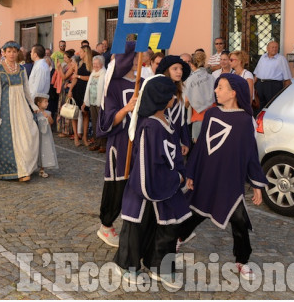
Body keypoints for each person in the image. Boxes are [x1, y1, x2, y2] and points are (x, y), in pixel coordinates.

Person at [178, 73, 269, 280]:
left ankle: (242, 260)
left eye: (221, 87)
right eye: (216, 87)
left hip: (229, 181)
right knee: (197, 211)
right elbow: (200, 146)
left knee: (239, 219)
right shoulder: (211, 114)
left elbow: (250, 154)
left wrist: (257, 185)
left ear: (233, 93)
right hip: (207, 176)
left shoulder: (245, 121)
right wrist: (191, 172)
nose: (216, 90)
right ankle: (179, 236)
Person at [113, 75, 189, 289]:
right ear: (162, 98)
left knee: (167, 227)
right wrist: (174, 178)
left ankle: (159, 266)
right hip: (144, 187)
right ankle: (128, 265)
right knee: (136, 228)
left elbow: (174, 155)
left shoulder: (168, 121)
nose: (174, 97)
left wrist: (180, 174)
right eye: (170, 94)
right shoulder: (149, 127)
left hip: (166, 186)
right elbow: (148, 164)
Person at [95, 42, 140, 248]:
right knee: (117, 184)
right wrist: (127, 108)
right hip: (120, 143)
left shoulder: (144, 82)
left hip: (140, 142)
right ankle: (106, 225)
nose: (141, 59)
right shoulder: (113, 85)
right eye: (137, 56)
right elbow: (107, 120)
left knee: (139, 184)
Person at [0, 41, 39, 182]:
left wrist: (32, 105)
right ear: (4, 53)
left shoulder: (22, 69)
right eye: (9, 51)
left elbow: (27, 89)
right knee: (8, 139)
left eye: (14, 51)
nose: (12, 54)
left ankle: (25, 168)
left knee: (27, 135)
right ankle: (13, 171)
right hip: (5, 108)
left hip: (21, 107)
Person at [156, 55, 192, 155]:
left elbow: (181, 118)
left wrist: (184, 140)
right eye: (175, 69)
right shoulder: (157, 91)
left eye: (180, 69)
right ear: (166, 71)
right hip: (161, 139)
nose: (179, 71)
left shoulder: (180, 90)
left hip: (175, 138)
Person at [184, 51, 215, 143]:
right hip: (213, 113)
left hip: (198, 115)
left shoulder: (190, 79)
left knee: (198, 145)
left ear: (192, 65)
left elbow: (187, 100)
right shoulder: (211, 77)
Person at [253, 40, 292, 111]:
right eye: (272, 47)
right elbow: (257, 72)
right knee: (260, 106)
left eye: (276, 47)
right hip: (260, 84)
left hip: (273, 85)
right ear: (267, 49)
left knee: (271, 106)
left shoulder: (281, 59)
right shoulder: (263, 57)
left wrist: (286, 92)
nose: (274, 49)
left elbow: (287, 77)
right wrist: (253, 84)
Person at [68, 45, 93, 147]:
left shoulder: (91, 64)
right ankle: (76, 137)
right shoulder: (78, 63)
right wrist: (70, 90)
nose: (79, 54)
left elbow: (89, 78)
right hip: (77, 90)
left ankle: (85, 137)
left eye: (81, 52)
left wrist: (78, 76)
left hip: (86, 91)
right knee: (74, 114)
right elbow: (74, 79)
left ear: (85, 52)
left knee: (86, 113)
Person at [83, 55, 106, 153]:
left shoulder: (104, 74)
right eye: (94, 64)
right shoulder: (93, 73)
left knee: (101, 123)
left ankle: (103, 144)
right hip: (92, 101)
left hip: (100, 103)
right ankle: (97, 143)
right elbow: (88, 88)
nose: (95, 65)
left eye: (97, 64)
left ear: (102, 64)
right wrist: (85, 101)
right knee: (95, 123)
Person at [34, 93, 58, 178]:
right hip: (38, 135)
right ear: (38, 103)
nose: (47, 103)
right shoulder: (35, 112)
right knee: (36, 150)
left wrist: (47, 117)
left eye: (47, 102)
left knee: (44, 150)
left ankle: (42, 169)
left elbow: (51, 122)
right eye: (45, 102)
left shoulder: (48, 112)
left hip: (46, 136)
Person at [55, 49, 77, 138]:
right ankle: (63, 129)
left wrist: (59, 67)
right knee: (62, 108)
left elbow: (64, 76)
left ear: (70, 58)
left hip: (67, 88)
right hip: (63, 88)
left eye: (65, 57)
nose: (64, 59)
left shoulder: (71, 67)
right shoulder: (66, 66)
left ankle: (67, 130)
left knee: (67, 109)